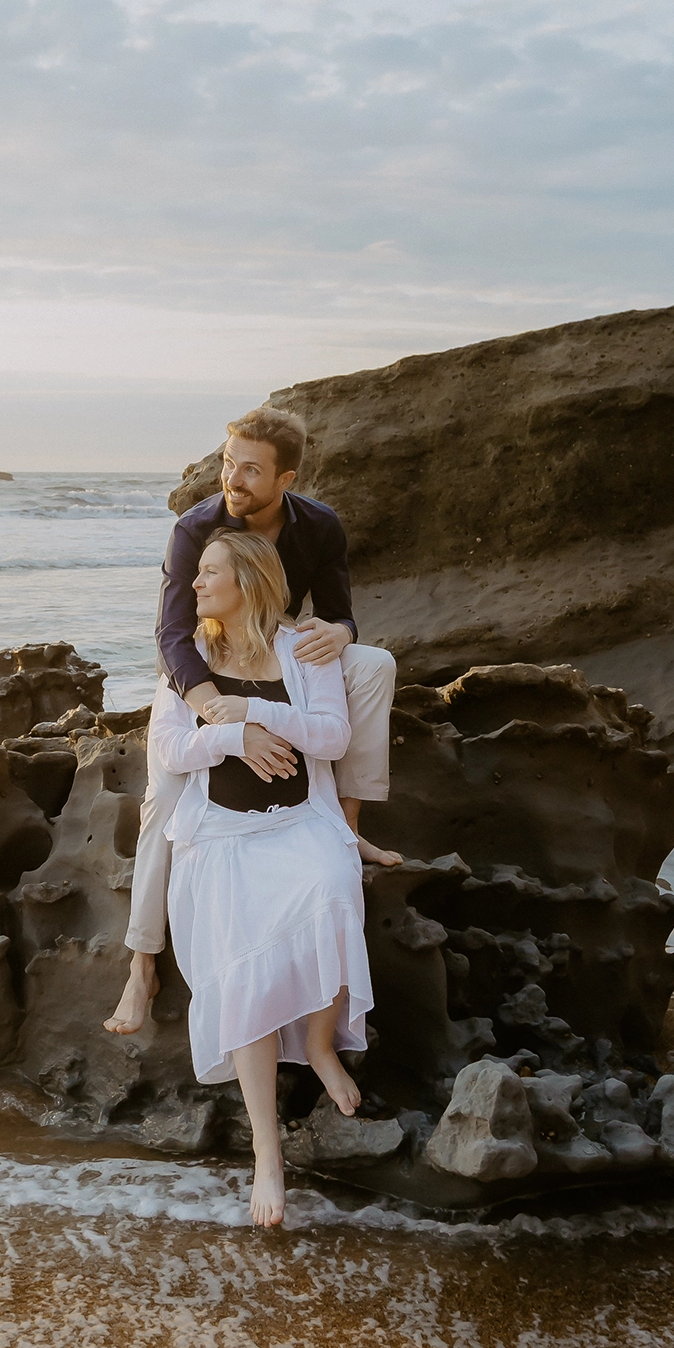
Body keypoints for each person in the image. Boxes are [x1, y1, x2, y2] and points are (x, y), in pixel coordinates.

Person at [105, 404, 399, 1038]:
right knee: (163, 802)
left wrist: (339, 634)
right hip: (206, 661)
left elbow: (342, 612)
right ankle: (141, 964)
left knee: (373, 665)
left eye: (249, 471)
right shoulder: (195, 529)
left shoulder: (319, 527)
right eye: (227, 463)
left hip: (280, 652)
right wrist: (213, 709)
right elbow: (172, 632)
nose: (231, 480)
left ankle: (348, 825)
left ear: (285, 479)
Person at [149, 527, 372, 1227]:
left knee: (334, 890)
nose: (195, 583)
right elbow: (171, 747)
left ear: (245, 580)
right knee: (242, 965)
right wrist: (231, 735)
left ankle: (318, 1041)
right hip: (226, 838)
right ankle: (267, 1157)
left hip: (301, 824)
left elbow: (331, 737)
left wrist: (256, 709)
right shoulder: (191, 661)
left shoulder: (302, 649)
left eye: (209, 572)